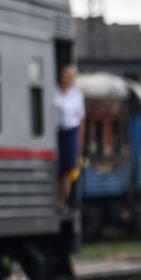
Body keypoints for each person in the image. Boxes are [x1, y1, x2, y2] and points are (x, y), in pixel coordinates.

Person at [55, 64, 84, 207]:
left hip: (70, 131)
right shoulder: (53, 92)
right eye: (65, 75)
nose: (67, 79)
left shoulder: (77, 96)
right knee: (57, 167)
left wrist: (80, 142)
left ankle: (62, 201)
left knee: (68, 169)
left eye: (70, 77)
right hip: (56, 131)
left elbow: (81, 119)